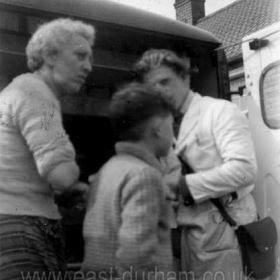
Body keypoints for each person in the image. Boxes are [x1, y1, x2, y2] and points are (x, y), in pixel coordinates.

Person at [132, 49, 258, 280]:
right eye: (152, 87)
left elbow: (244, 170)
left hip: (227, 227)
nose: (159, 91)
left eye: (165, 81)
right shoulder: (161, 127)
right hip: (188, 233)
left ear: (185, 79)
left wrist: (183, 185)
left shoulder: (219, 111)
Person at [0, 18, 95, 279]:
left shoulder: (17, 90)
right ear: (50, 56)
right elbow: (62, 174)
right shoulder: (36, 95)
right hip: (22, 231)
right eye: (80, 55)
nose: (88, 66)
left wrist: (66, 193)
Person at [82, 83, 174, 280]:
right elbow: (136, 256)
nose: (173, 136)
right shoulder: (144, 175)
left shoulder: (108, 169)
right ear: (157, 128)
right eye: (171, 126)